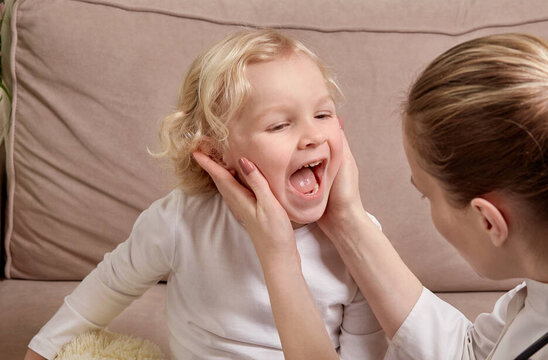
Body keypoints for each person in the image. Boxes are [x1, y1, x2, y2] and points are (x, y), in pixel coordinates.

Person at [197, 33, 548, 359]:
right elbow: (470, 356)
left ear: (489, 221)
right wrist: (344, 218)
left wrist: (278, 255)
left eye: (426, 195)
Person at [24, 29, 388, 360]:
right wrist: (42, 349)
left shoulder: (359, 240)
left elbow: (365, 351)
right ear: (216, 154)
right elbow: (110, 285)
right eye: (279, 124)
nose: (313, 136)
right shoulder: (182, 218)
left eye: (323, 115)